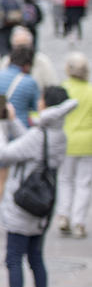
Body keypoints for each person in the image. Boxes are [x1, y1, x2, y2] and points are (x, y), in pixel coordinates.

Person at [0, 86, 76, 287]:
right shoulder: (55, 132)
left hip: (24, 203)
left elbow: (5, 153)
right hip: (43, 202)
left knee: (14, 257)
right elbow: (32, 143)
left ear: (48, 104)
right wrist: (12, 123)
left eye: (42, 99)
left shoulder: (42, 134)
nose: (40, 102)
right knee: (35, 257)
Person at [0, 46, 41, 235]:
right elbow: (36, 111)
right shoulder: (29, 82)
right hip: (21, 136)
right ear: (27, 65)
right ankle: (11, 215)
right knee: (18, 178)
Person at [56, 52, 92, 239]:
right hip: (87, 142)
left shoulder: (63, 89)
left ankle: (64, 215)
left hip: (66, 140)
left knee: (65, 180)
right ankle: (79, 222)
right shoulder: (90, 91)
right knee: (83, 183)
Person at [5, 26, 59, 91]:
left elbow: (53, 86)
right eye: (18, 46)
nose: (22, 51)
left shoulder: (42, 61)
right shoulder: (6, 62)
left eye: (25, 46)